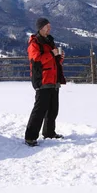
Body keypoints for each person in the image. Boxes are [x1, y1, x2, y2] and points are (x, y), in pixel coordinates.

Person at [24, 17, 66, 146]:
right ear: (41, 28)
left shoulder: (49, 41)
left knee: (53, 109)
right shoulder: (34, 43)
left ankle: (49, 132)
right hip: (42, 80)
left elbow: (52, 61)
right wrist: (52, 54)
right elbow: (36, 61)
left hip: (53, 79)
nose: (50, 28)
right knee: (39, 110)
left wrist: (59, 58)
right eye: (47, 26)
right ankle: (30, 137)